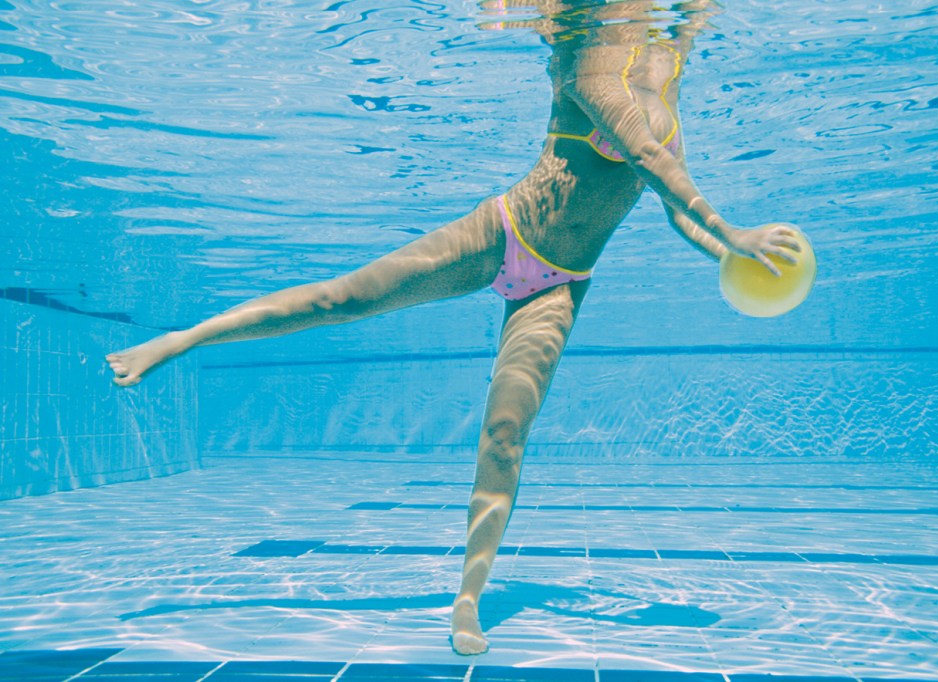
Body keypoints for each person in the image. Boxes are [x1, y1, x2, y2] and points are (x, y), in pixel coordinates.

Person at [106, 0, 800, 655]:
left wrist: (721, 253)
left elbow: (674, 206)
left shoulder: (667, 108)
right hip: (499, 236)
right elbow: (646, 159)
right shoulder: (591, 67)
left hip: (561, 283)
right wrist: (733, 231)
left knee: (506, 432)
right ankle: (182, 340)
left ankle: (468, 598)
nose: (662, 45)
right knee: (343, 299)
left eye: (674, 38)